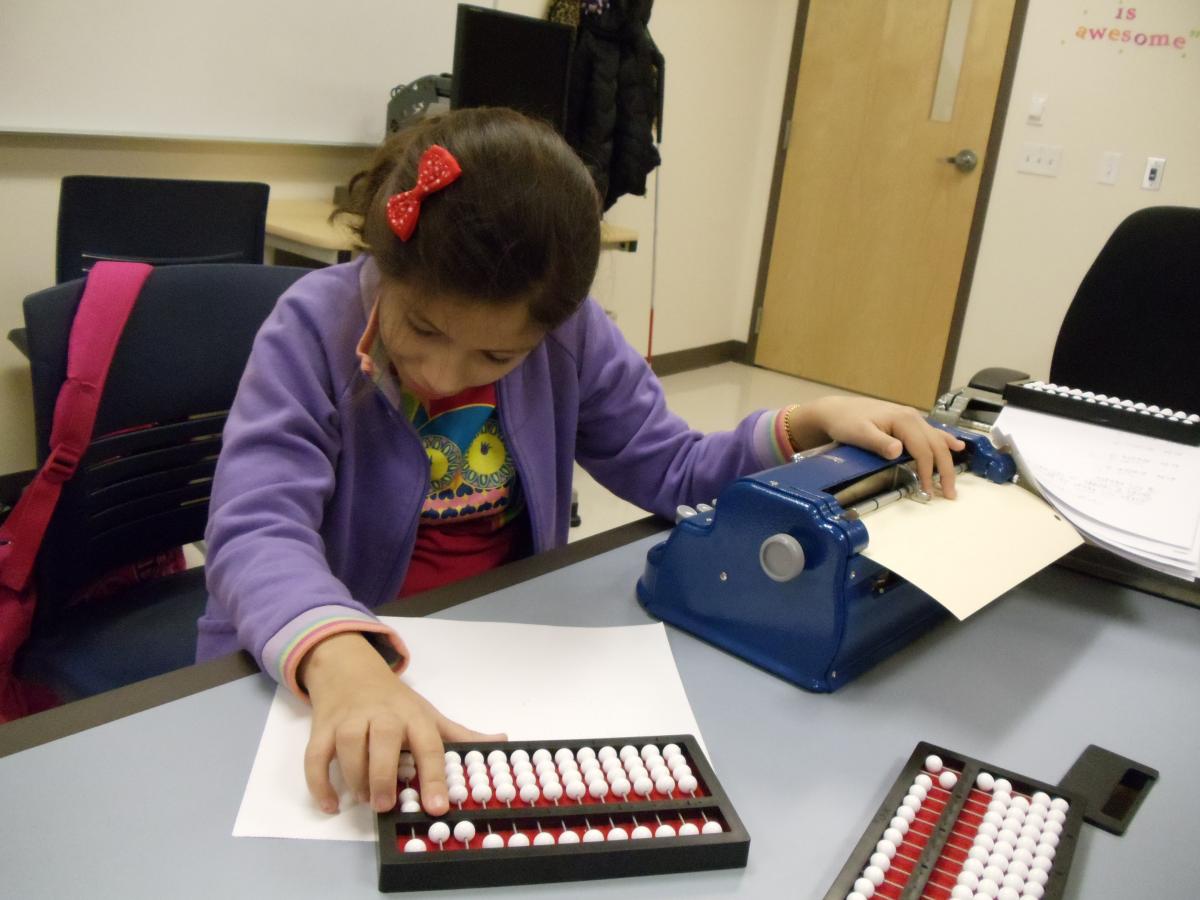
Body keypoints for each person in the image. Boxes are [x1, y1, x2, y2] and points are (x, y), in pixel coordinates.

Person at [198, 107, 963, 821]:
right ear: (388, 268)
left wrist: (806, 423)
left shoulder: (573, 338)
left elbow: (671, 469)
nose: (443, 371)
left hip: (504, 649)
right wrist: (341, 659)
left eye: (497, 355)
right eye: (422, 327)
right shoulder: (312, 329)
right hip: (319, 649)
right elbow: (257, 528)